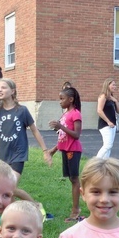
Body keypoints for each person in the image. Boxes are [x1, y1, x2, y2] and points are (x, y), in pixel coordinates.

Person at [0, 77, 51, 178]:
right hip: (3, 155)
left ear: (12, 91)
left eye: (3, 88)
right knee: (7, 185)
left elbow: (34, 130)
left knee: (12, 181)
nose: (0, 90)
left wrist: (45, 151)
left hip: (18, 154)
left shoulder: (22, 110)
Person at [47, 87, 83, 221]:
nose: (60, 101)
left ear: (71, 99)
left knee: (74, 179)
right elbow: (63, 137)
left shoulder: (75, 114)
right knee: (71, 179)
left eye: (62, 99)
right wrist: (53, 150)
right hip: (66, 150)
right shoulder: (65, 114)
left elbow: (76, 135)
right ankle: (76, 207)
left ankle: (76, 209)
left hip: (73, 150)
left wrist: (60, 126)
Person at [96, 78, 119, 159]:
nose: (115, 87)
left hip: (112, 125)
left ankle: (104, 163)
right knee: (107, 145)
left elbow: (118, 111)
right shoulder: (103, 96)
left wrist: (116, 101)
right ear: (108, 85)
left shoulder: (111, 98)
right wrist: (108, 121)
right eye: (113, 85)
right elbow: (99, 110)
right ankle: (96, 161)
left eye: (115, 85)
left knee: (109, 147)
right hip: (105, 125)